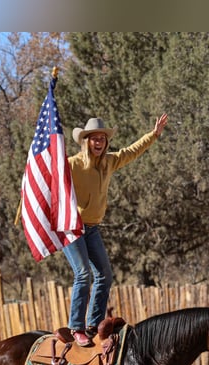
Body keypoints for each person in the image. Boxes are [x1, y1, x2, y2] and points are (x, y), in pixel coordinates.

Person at [65, 113, 169, 347]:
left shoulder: (109, 162)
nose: (99, 142)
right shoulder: (72, 164)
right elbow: (50, 181)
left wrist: (153, 135)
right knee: (83, 274)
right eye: (94, 138)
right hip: (72, 228)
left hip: (92, 228)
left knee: (105, 274)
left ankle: (94, 324)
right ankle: (76, 328)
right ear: (86, 141)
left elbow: (132, 151)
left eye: (102, 138)